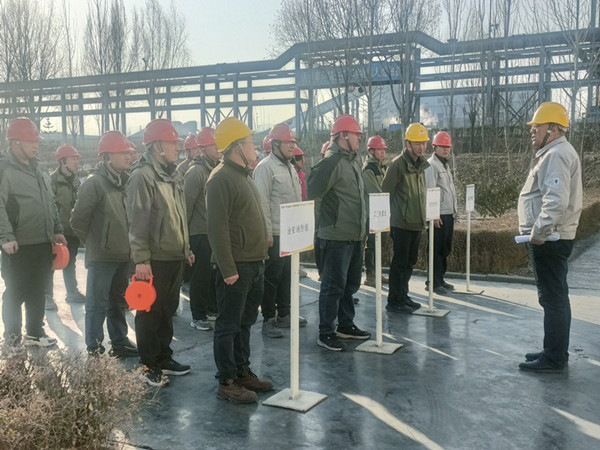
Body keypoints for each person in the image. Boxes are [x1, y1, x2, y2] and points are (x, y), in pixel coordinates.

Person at [207, 117, 273, 403]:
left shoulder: (244, 175)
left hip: (254, 263)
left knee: (245, 322)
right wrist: (228, 268)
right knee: (228, 325)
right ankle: (227, 380)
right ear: (236, 147)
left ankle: (242, 370)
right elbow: (217, 228)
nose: (254, 146)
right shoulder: (220, 178)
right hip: (236, 267)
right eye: (249, 142)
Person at [126, 119, 194, 387]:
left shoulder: (172, 174)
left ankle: (164, 358)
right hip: (154, 259)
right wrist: (141, 259)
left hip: (173, 256)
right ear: (157, 147)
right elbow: (137, 220)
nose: (178, 147)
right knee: (149, 313)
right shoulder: (142, 176)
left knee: (167, 310)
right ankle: (149, 365)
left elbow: (180, 215)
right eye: (172, 143)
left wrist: (186, 248)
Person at [517, 102, 582, 373]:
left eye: (538, 126)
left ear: (553, 129)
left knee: (553, 299)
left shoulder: (556, 155)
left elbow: (555, 202)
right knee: (555, 298)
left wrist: (539, 232)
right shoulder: (554, 152)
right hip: (551, 237)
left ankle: (554, 358)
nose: (532, 130)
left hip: (550, 239)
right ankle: (553, 350)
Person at [71, 131, 139, 358]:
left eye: (128, 152)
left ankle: (119, 343)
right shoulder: (94, 184)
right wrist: (97, 243)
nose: (128, 156)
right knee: (97, 304)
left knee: (118, 303)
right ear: (107, 156)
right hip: (102, 257)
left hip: (123, 255)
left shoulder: (124, 182)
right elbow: (78, 220)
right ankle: (95, 348)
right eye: (122, 152)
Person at [307, 115, 371, 352]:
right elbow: (313, 193)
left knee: (349, 285)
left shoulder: (353, 160)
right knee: (333, 287)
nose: (359, 139)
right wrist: (325, 221)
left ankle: (345, 324)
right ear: (343, 136)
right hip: (335, 236)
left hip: (354, 234)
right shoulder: (331, 162)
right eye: (356, 135)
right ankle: (326, 331)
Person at [0, 118, 66, 347]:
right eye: (31, 141)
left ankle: (35, 333)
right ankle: (12, 338)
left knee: (38, 289)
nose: (36, 145)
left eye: (36, 141)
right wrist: (6, 237)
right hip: (18, 243)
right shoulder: (4, 169)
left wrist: (57, 230)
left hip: (42, 241)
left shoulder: (38, 169)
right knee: (16, 291)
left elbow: (50, 202)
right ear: (15, 143)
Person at [254, 124, 307, 339]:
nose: (292, 146)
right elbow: (262, 203)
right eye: (288, 142)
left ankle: (284, 314)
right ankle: (268, 319)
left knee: (288, 276)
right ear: (275, 144)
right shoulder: (265, 168)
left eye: (293, 142)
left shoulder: (290, 167)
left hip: (291, 233)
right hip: (275, 232)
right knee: (271, 278)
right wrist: (266, 232)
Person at [382, 123, 430, 314]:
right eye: (417, 143)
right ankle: (394, 300)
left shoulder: (420, 165)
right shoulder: (397, 164)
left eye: (423, 143)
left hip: (416, 222)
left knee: (410, 262)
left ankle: (403, 295)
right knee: (400, 263)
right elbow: (386, 193)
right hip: (401, 223)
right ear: (408, 144)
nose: (421, 147)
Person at [184, 127, 220, 332]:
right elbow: (185, 207)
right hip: (199, 233)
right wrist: (185, 239)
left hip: (213, 232)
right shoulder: (196, 172)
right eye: (214, 145)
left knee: (213, 274)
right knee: (200, 276)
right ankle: (198, 315)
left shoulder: (216, 169)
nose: (218, 149)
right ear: (203, 148)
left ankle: (211, 309)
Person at [46, 144, 85, 310]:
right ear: (62, 161)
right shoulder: (52, 181)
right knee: (51, 264)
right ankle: (47, 296)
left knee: (70, 261)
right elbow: (49, 206)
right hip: (56, 231)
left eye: (77, 158)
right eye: (73, 158)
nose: (76, 161)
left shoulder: (76, 180)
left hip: (72, 230)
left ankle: (72, 292)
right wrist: (53, 230)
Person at [425, 131, 457, 295]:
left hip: (447, 212)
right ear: (434, 147)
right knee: (436, 249)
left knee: (444, 248)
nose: (445, 149)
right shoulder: (431, 165)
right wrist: (433, 214)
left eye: (447, 147)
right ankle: (433, 281)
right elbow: (430, 189)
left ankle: (440, 278)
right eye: (442, 146)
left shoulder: (444, 164)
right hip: (439, 215)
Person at [362, 135, 389, 288]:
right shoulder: (368, 169)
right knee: (372, 243)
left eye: (383, 149)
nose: (382, 152)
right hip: (372, 212)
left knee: (380, 243)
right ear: (371, 151)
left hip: (382, 211)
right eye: (379, 149)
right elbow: (375, 191)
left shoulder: (382, 166)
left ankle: (377, 272)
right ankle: (370, 275)